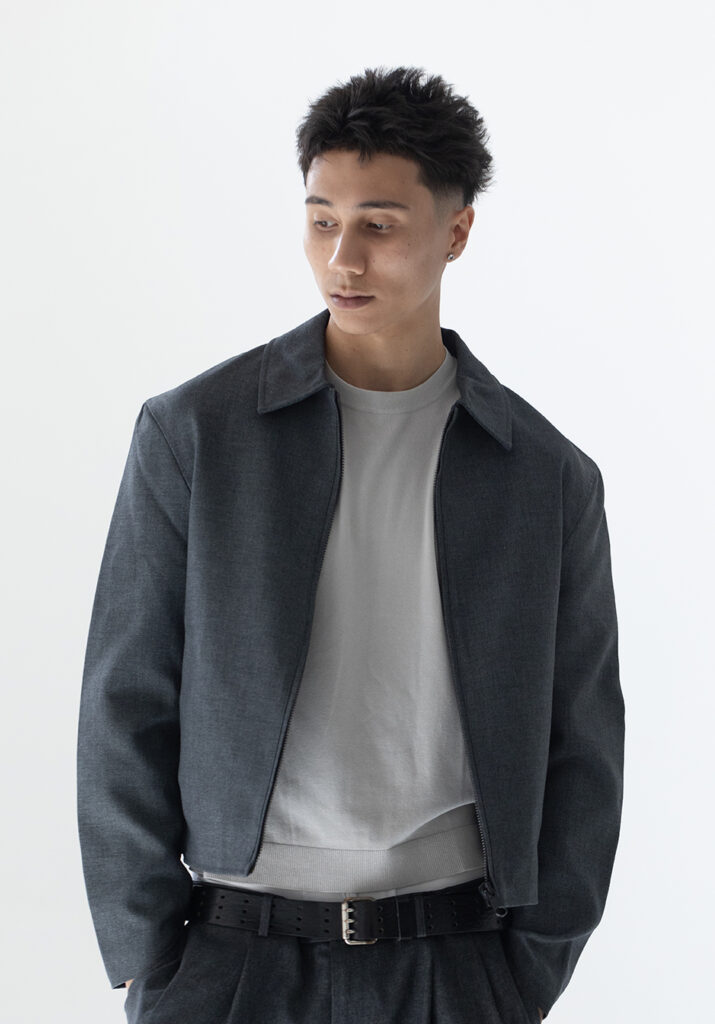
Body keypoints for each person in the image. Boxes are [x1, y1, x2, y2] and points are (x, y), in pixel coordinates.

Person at [76, 65, 624, 1023]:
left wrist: (527, 973)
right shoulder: (197, 435)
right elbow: (125, 699)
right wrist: (148, 954)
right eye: (321, 220)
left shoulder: (545, 478)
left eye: (378, 224)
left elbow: (583, 746)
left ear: (455, 231)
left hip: (455, 966)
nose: (343, 258)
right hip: (230, 964)